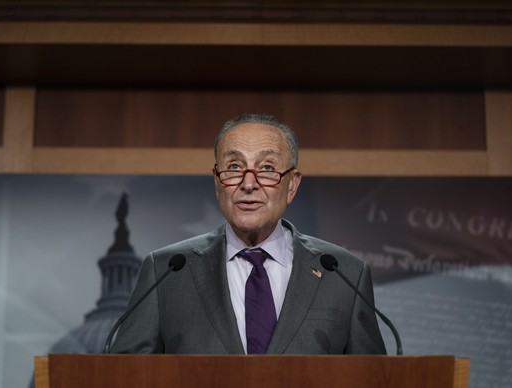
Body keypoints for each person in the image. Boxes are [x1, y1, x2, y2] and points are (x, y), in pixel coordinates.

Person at [111, 113, 386, 355]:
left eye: (267, 168)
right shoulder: (166, 271)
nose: (249, 183)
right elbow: (126, 375)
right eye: (234, 167)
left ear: (291, 185)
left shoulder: (345, 274)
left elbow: (373, 378)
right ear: (218, 182)